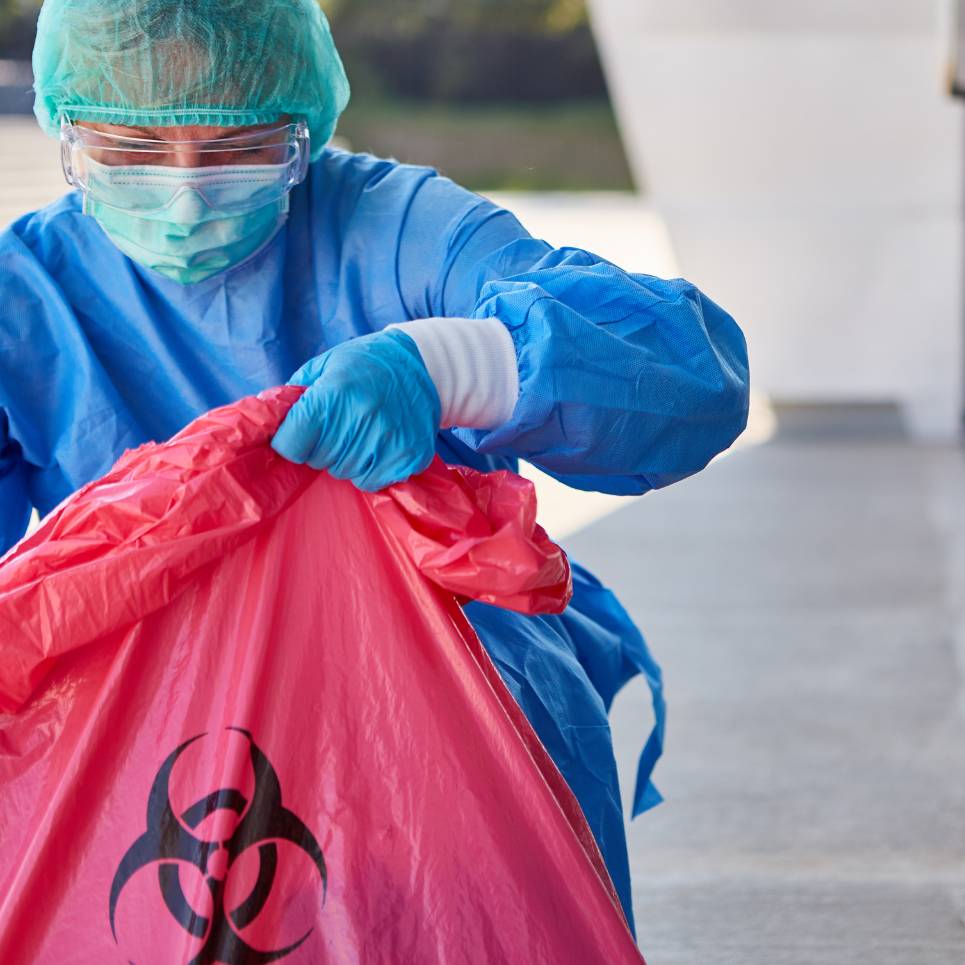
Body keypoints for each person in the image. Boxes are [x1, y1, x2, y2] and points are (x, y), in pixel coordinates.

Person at [0, 0, 749, 936]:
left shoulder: (392, 230)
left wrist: (446, 365)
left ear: (302, 129)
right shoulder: (27, 297)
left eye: (237, 148)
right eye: (133, 149)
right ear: (67, 132)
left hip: (435, 693)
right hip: (139, 707)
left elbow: (683, 371)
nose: (185, 193)